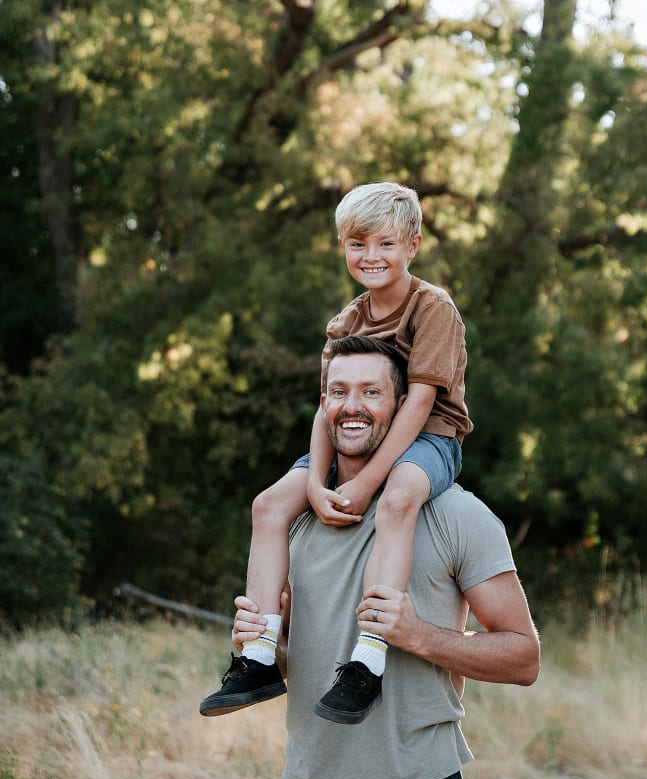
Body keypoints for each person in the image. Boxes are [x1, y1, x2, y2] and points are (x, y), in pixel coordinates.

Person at [229, 336, 540, 779]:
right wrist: (266, 643)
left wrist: (417, 635)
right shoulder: (295, 519)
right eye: (339, 391)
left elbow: (524, 658)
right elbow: (296, 661)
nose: (352, 406)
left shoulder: (456, 516)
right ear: (324, 404)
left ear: (402, 408)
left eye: (371, 392)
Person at [200, 183, 473, 723]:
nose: (371, 256)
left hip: (430, 438)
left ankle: (368, 660)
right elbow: (326, 407)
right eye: (357, 244)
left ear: (413, 245)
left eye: (386, 244)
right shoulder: (346, 322)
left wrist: (366, 481)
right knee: (268, 506)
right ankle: (257, 654)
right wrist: (315, 482)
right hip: (353, 436)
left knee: (397, 500)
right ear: (343, 247)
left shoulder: (432, 307)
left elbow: (419, 402)